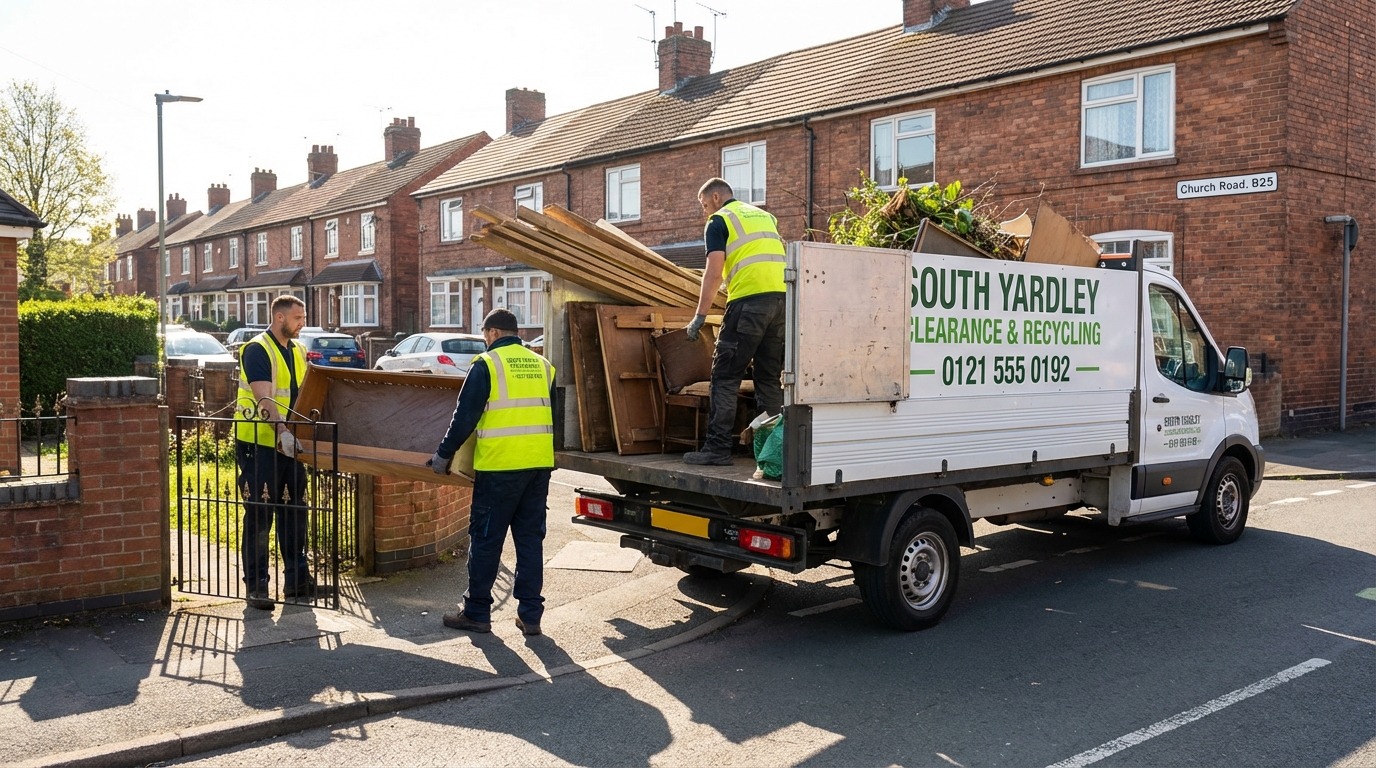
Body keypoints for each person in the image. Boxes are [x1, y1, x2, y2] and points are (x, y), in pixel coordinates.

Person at [428, 308, 555, 636]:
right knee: (530, 541)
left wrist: (443, 454)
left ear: (493, 333)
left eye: (485, 336)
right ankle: (530, 615)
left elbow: (464, 417)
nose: (485, 342)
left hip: (499, 467)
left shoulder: (487, 365)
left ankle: (476, 613)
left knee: (486, 539)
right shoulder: (543, 366)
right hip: (538, 466)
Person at [682, 177, 788, 466]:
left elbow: (714, 272)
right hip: (782, 302)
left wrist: (699, 316)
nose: (705, 211)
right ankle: (772, 454)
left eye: (705, 205)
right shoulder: (766, 216)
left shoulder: (719, 221)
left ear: (716, 198)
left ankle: (716, 450)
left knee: (726, 377)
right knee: (768, 378)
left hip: (748, 303)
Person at [234, 295, 327, 610]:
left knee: (295, 510)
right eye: (298, 318)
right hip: (259, 444)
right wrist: (283, 432)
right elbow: (264, 400)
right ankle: (257, 587)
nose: (302, 323)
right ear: (279, 318)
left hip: (290, 445)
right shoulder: (258, 349)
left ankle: (297, 581)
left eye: (302, 318)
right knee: (260, 515)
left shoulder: (298, 350)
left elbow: (304, 393)